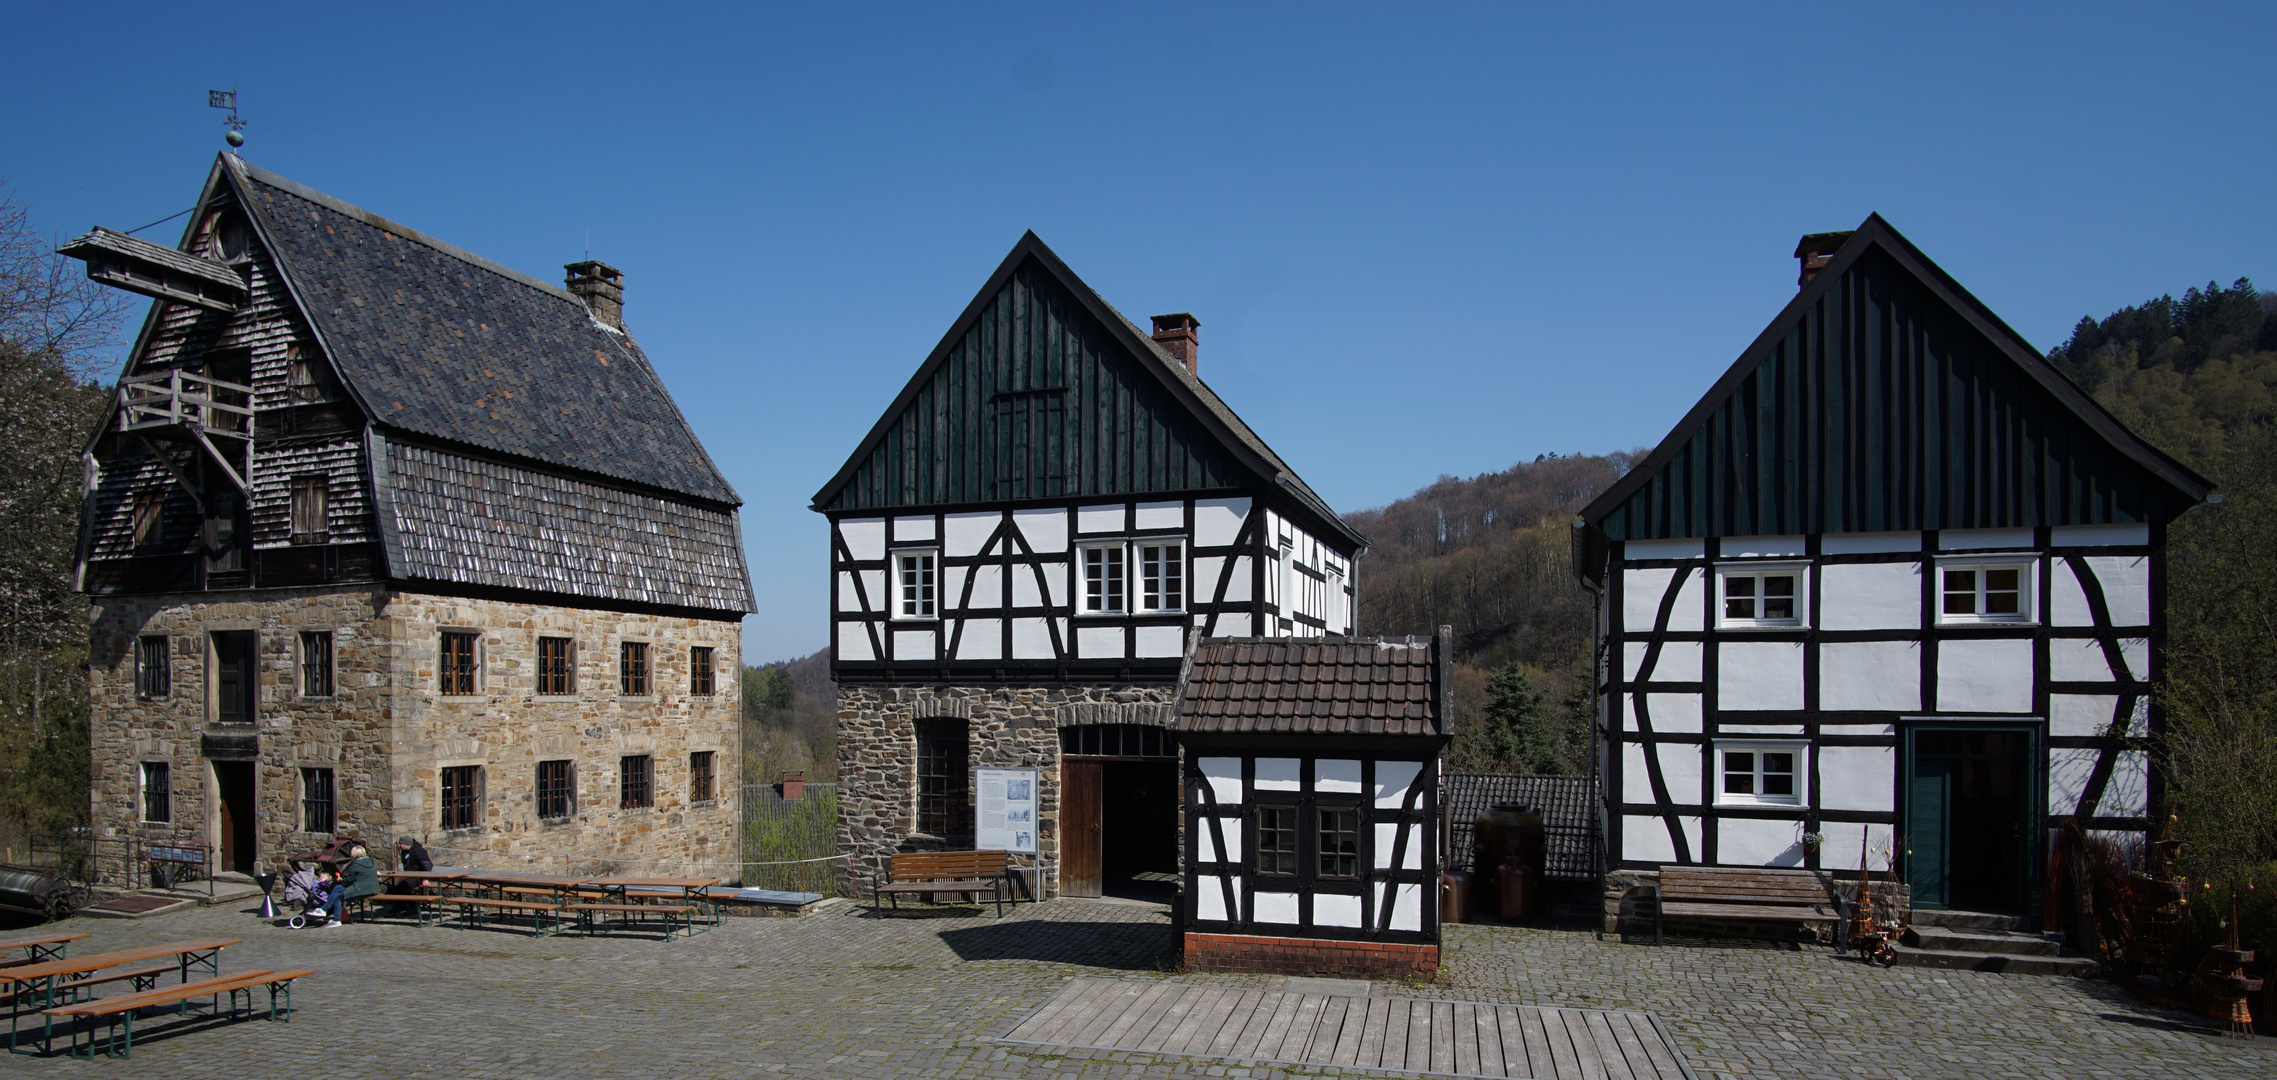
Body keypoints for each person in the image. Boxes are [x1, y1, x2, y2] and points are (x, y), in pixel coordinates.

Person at [320, 842, 382, 926]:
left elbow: (349, 880)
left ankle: (335, 919)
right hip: (373, 888)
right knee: (338, 888)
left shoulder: (356, 864)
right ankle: (324, 909)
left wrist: (341, 880)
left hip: (362, 889)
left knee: (339, 896)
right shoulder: (371, 861)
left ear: (354, 855)